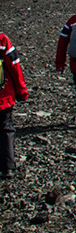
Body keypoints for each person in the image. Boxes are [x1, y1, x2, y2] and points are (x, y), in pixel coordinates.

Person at [0, 32, 29, 179]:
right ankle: (7, 167)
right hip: (3, 94)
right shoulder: (2, 39)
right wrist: (21, 91)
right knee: (5, 129)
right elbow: (14, 66)